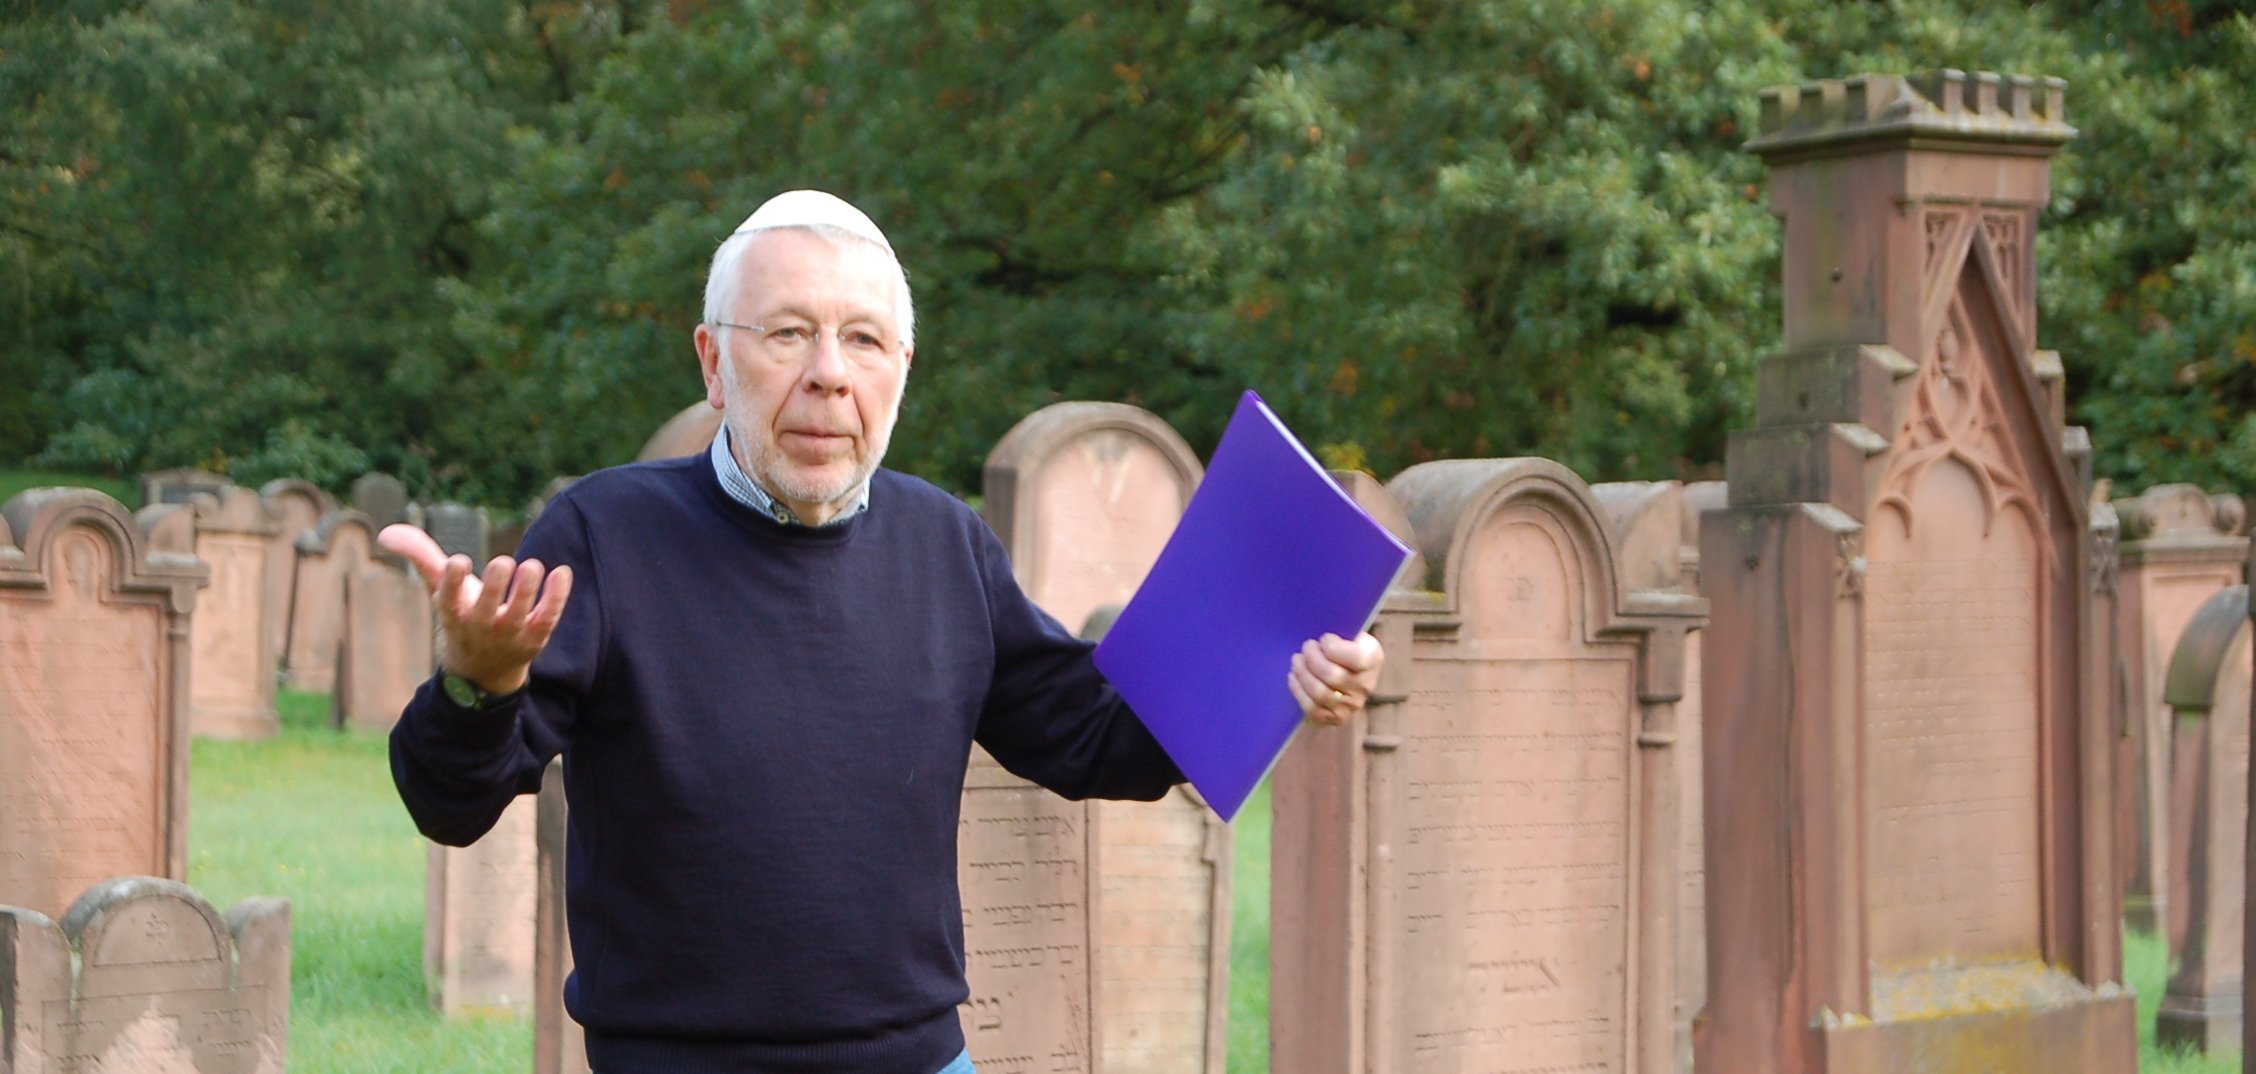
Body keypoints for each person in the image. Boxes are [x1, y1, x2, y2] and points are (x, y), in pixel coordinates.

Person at [383, 190, 1384, 1074]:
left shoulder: (947, 545)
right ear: (714, 362)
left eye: (863, 340)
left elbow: (1094, 736)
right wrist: (477, 683)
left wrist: (1285, 668)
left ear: (901, 369)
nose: (829, 374)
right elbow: (450, 804)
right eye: (788, 333)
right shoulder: (603, 537)